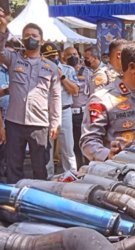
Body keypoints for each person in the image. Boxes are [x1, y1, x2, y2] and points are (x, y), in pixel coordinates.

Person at [0, 17, 61, 183]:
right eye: (26, 35)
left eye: (34, 35)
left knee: (40, 168)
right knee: (14, 167)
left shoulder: (51, 67)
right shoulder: (13, 59)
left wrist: (55, 122)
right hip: (14, 123)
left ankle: (38, 203)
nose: (30, 38)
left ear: (41, 40)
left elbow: (55, 96)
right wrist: (3, 30)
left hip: (39, 124)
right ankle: (12, 205)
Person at [41, 42, 78, 177]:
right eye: (49, 57)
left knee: (67, 147)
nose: (53, 59)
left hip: (64, 111)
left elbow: (75, 90)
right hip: (46, 112)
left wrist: (62, 76)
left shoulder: (68, 69)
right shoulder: (40, 69)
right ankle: (48, 177)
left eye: (54, 56)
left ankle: (71, 176)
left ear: (60, 55)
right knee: (47, 148)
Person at [64, 46, 92, 169]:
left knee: (86, 143)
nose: (73, 57)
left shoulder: (87, 72)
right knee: (73, 145)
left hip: (84, 113)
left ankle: (89, 169)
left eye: (75, 54)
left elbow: (92, 93)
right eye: (69, 55)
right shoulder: (63, 72)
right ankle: (78, 170)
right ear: (63, 58)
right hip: (70, 113)